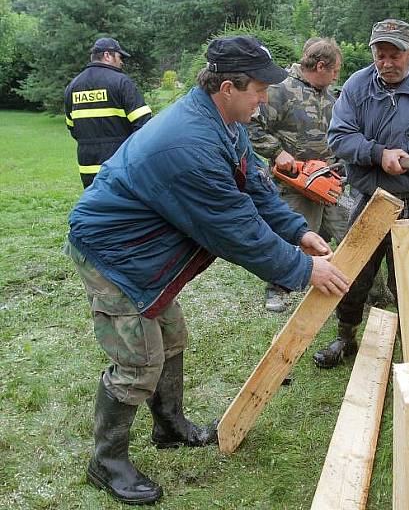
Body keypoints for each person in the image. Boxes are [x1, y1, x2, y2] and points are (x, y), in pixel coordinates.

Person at [65, 36, 350, 504]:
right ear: (227, 86)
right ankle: (107, 461)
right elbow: (236, 230)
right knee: (138, 361)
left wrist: (298, 232)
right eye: (258, 89)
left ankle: (170, 426)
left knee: (171, 337)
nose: (264, 99)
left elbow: (255, 186)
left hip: (143, 249)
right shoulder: (189, 144)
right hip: (112, 253)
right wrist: (303, 269)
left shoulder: (226, 120)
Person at [312, 19, 409, 368]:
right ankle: (345, 336)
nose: (387, 63)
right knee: (353, 271)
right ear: (373, 53)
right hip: (369, 198)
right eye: (380, 55)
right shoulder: (357, 86)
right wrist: (379, 154)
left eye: (395, 55)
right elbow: (339, 137)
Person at [247, 38, 350, 312]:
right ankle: (277, 289)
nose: (337, 75)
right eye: (335, 70)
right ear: (320, 66)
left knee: (348, 230)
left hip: (328, 181)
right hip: (295, 184)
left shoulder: (329, 95)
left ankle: (365, 288)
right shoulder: (281, 90)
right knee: (293, 236)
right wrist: (276, 151)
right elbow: (251, 125)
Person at [65, 37, 152, 188]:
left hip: (87, 165)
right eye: (119, 57)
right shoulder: (121, 82)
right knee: (121, 207)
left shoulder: (73, 86)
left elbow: (72, 127)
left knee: (95, 206)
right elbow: (144, 125)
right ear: (107, 55)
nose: (122, 62)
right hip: (118, 162)